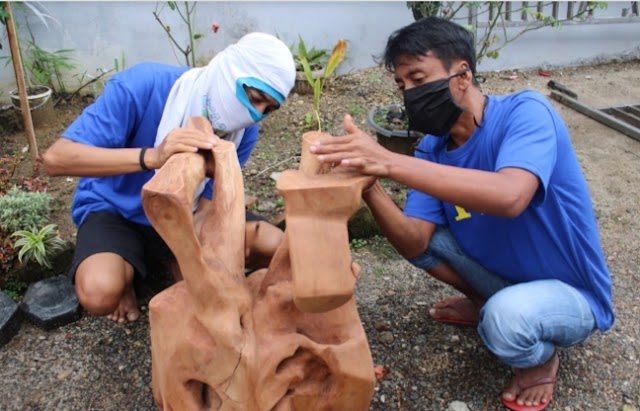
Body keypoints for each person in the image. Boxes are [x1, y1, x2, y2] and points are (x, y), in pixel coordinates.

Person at [309, 17, 614, 411]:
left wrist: (387, 161)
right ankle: (482, 297)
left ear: (462, 75)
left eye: (418, 78)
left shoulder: (527, 113)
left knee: (504, 323)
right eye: (403, 86)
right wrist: (371, 185)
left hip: (572, 295)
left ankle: (540, 361)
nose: (410, 94)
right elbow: (416, 242)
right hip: (506, 278)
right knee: (433, 240)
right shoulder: (433, 149)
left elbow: (510, 196)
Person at [42, 32, 295, 325]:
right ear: (229, 71)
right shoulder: (143, 86)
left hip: (182, 216)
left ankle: (162, 260)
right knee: (100, 291)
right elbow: (56, 159)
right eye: (254, 98)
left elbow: (207, 209)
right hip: (116, 210)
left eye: (269, 109)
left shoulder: (243, 132)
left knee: (275, 248)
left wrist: (197, 263)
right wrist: (152, 156)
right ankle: (129, 274)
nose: (256, 113)